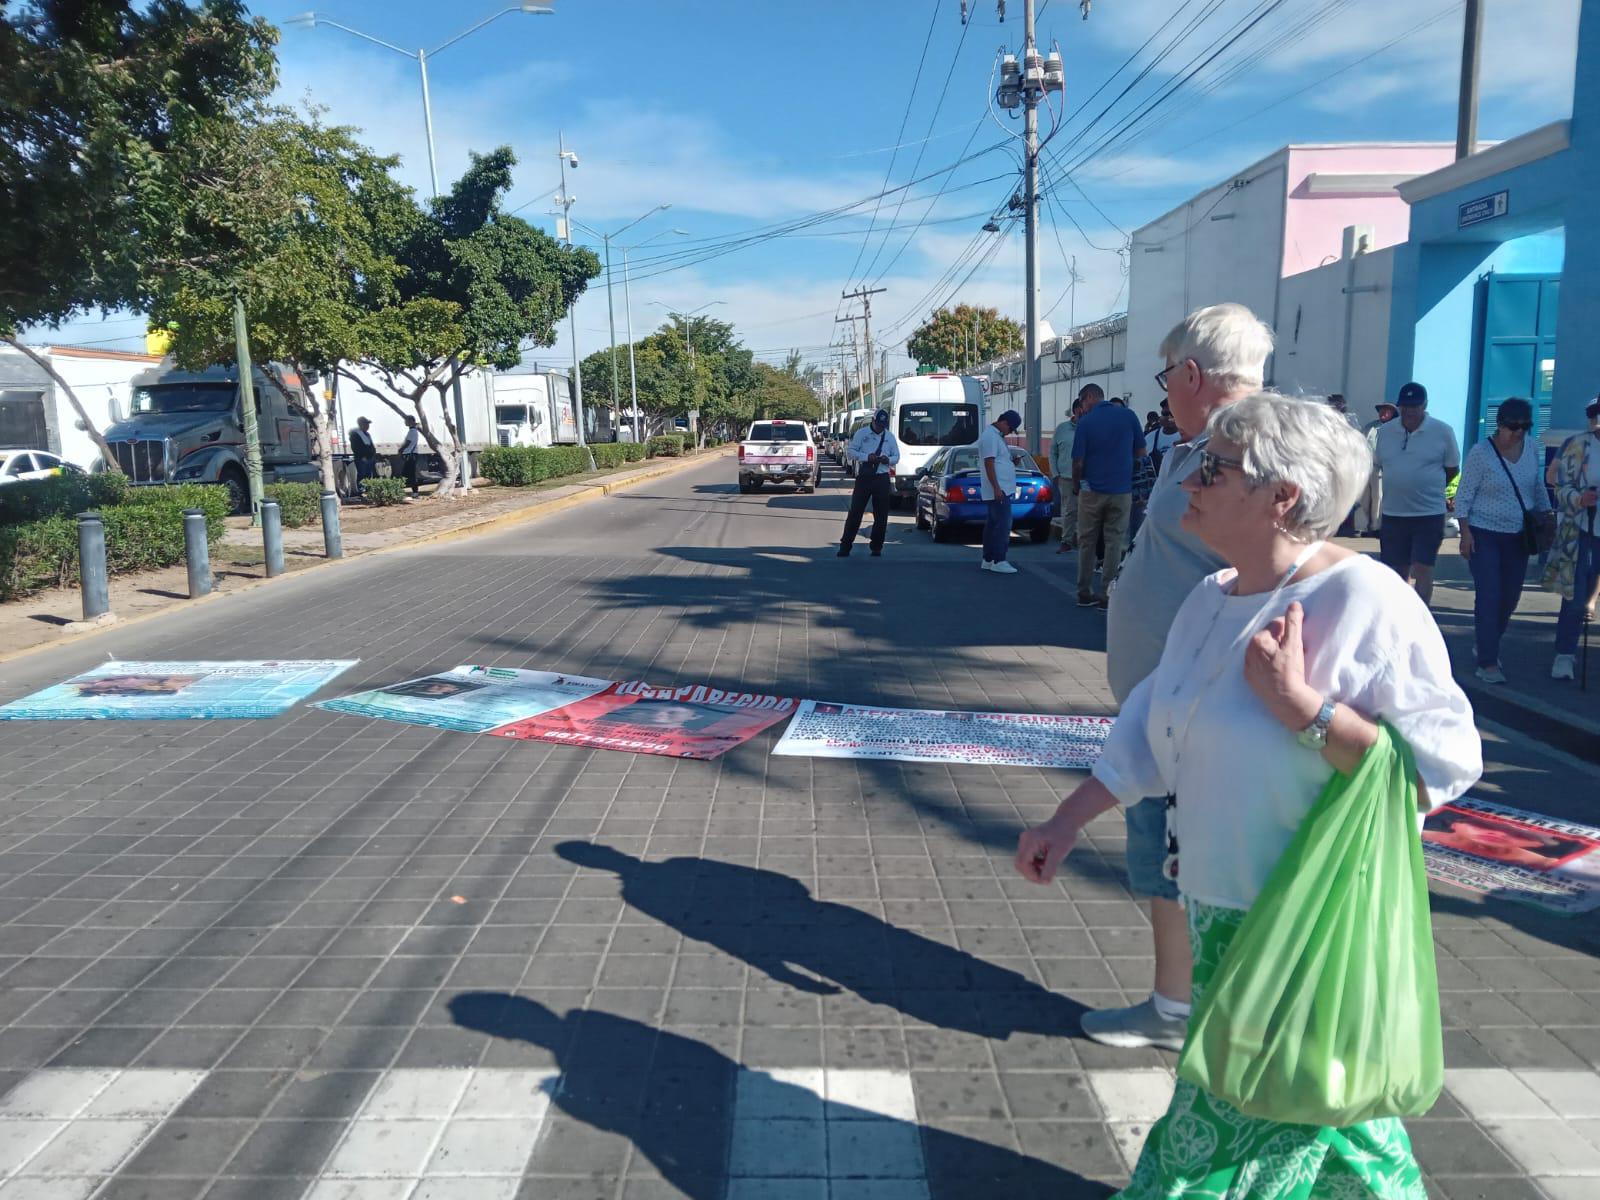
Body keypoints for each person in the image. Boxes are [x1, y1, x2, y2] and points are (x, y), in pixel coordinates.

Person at [1017, 393, 1480, 1196]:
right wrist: (1067, 819)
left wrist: (1309, 712)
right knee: (1329, 1120)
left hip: (1302, 916)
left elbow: (1439, 765)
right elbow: (1154, 728)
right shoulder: (1213, 596)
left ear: (1283, 496)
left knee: (1223, 1125)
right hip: (1216, 908)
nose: (1190, 479)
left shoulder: (1367, 601)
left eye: (1215, 467)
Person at [1091, 301, 1274, 1052]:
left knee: (1177, 865)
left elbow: (1266, 574)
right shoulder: (1195, 446)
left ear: (1193, 374)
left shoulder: (1246, 455)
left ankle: (1180, 1012)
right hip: (1163, 706)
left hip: (1195, 708)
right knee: (1167, 859)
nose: (1163, 390)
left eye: (1168, 376)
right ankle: (1181, 1003)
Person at [1455, 398, 1550, 684]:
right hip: (1484, 533)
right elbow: (1464, 495)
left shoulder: (1532, 448)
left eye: (1524, 427)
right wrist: (1465, 533)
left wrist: (1547, 517)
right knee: (1489, 595)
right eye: (1512, 427)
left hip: (1518, 535)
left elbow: (1537, 486)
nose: (1518, 433)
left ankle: (1487, 642)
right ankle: (1487, 661)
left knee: (1510, 597)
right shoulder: (1481, 453)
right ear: (1500, 425)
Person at [1373, 382, 1460, 604]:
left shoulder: (1443, 432)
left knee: (1423, 568)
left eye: (1415, 406)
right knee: (1396, 572)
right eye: (1405, 407)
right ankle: (1399, 618)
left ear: (1425, 406)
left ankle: (1422, 617)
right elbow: (1380, 464)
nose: (1410, 411)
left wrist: (1426, 486)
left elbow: (1452, 469)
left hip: (1428, 513)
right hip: (1394, 514)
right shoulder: (1385, 432)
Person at [1070, 383, 1147, 607]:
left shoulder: (1085, 423)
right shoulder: (1129, 416)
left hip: (1091, 491)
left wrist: (1077, 485)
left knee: (1087, 541)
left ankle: (1084, 592)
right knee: (1115, 542)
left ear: (1091, 397)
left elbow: (1078, 462)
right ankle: (1107, 595)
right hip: (1121, 491)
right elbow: (1141, 453)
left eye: (1083, 402)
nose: (1082, 407)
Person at [1544, 397, 1600, 680]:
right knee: (1576, 596)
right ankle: (1564, 655)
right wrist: (1579, 497)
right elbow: (1558, 487)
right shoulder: (1578, 445)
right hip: (1583, 530)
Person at [838, 408, 900, 558]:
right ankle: (845, 546)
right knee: (855, 512)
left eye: (882, 425)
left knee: (881, 515)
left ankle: (877, 547)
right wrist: (867, 457)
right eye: (878, 424)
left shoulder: (890, 437)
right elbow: (850, 452)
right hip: (865, 478)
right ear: (873, 421)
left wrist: (888, 460)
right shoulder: (862, 434)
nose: (880, 428)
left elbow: (896, 456)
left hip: (882, 477)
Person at [980, 410, 1023, 574]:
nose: (1010, 432)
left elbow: (996, 461)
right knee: (1003, 525)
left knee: (993, 524)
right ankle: (999, 559)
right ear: (1003, 422)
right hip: (1000, 489)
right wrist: (997, 487)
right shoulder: (991, 436)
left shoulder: (995, 436)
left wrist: (1012, 463)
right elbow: (989, 463)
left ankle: (989, 558)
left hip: (1000, 488)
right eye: (1010, 428)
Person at [1357, 401, 1398, 536]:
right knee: (1364, 497)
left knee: (1378, 496)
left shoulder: (1395, 428)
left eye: (1387, 411)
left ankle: (1376, 527)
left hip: (1381, 468)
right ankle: (1367, 524)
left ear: (1393, 414)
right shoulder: (1370, 427)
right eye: (1381, 410)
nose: (1383, 413)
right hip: (1365, 466)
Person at [1050, 397, 1083, 554]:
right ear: (1075, 410)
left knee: (1088, 511)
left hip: (1088, 477)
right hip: (1067, 477)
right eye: (1081, 409)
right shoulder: (1062, 429)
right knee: (1069, 511)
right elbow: (1053, 452)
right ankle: (1067, 541)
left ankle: (1086, 542)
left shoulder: (1092, 428)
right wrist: (1055, 473)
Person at [350, 415, 378, 485]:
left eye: (368, 424)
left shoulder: (367, 434)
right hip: (362, 459)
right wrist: (362, 457)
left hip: (370, 458)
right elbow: (355, 447)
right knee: (362, 475)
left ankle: (367, 488)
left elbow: (371, 445)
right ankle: (361, 489)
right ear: (361, 424)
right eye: (366, 424)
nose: (368, 426)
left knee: (368, 475)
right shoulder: (355, 434)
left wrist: (373, 454)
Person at [399, 415, 422, 497]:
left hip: (410, 455)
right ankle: (414, 492)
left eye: (406, 420)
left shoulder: (412, 431)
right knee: (408, 474)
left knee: (407, 474)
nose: (405, 422)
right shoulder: (413, 431)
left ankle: (414, 492)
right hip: (412, 455)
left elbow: (408, 442)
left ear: (411, 421)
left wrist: (400, 449)